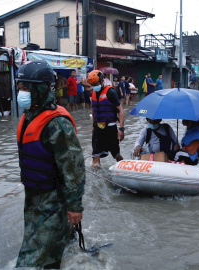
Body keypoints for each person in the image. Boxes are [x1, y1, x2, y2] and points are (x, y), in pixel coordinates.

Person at [15, 60, 85, 269]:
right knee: (38, 241)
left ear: (41, 89)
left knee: (31, 259)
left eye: (26, 88)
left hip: (53, 199)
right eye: (20, 87)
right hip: (34, 196)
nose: (22, 93)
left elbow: (73, 167)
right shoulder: (30, 116)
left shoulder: (57, 123)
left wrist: (74, 206)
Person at [88, 70, 125, 168]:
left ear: (102, 81)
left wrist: (121, 129)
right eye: (92, 84)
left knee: (116, 154)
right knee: (95, 155)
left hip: (110, 127)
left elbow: (120, 110)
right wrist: (93, 126)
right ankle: (97, 182)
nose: (94, 86)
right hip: (98, 127)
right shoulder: (93, 93)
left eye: (96, 83)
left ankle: (124, 168)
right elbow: (94, 110)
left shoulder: (111, 92)